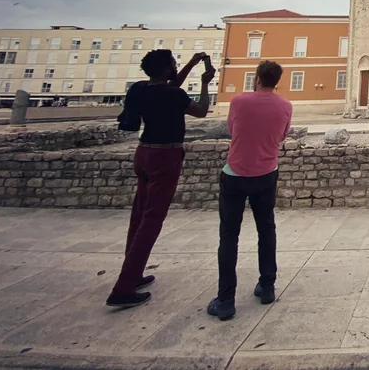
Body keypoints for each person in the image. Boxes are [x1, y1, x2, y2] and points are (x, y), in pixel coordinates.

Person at [106, 50, 213, 309]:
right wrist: (204, 83)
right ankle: (124, 287)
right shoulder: (172, 95)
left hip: (143, 153)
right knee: (151, 220)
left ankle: (133, 272)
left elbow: (171, 87)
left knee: (139, 215)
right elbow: (201, 111)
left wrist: (191, 63)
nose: (176, 67)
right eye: (174, 64)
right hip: (165, 156)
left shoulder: (140, 89)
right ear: (166, 69)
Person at [207, 60, 292, 320]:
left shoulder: (238, 102)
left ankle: (225, 300)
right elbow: (282, 136)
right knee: (266, 229)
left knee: (228, 236)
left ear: (257, 78)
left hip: (235, 174)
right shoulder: (285, 106)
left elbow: (232, 130)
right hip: (266, 174)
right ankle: (267, 286)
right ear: (277, 81)